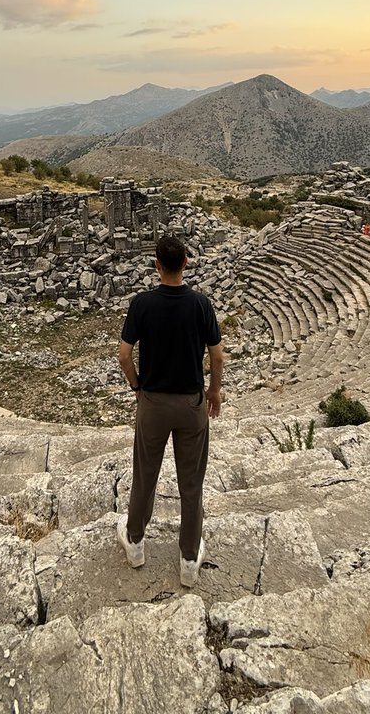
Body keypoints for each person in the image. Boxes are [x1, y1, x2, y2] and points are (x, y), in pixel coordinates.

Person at [116, 233, 224, 588]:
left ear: (157, 266)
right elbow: (217, 356)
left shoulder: (142, 304)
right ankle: (189, 561)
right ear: (186, 263)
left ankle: (135, 544)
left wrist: (137, 388)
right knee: (191, 484)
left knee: (145, 475)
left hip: (153, 403)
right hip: (191, 404)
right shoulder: (201, 305)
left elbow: (124, 356)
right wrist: (214, 391)